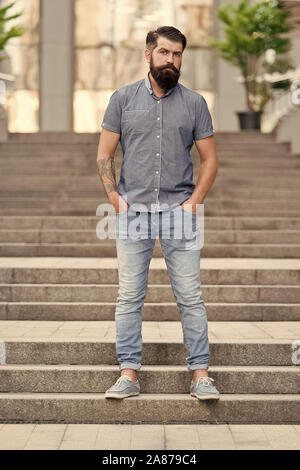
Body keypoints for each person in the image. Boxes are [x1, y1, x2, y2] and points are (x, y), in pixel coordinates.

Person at [97, 26, 220, 401]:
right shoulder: (122, 100)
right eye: (165, 53)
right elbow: (104, 156)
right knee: (129, 296)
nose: (172, 60)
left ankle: (201, 375)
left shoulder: (195, 103)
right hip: (133, 212)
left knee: (190, 296)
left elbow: (210, 159)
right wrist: (116, 199)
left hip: (178, 211)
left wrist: (194, 201)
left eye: (178, 54)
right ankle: (128, 374)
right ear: (148, 55)